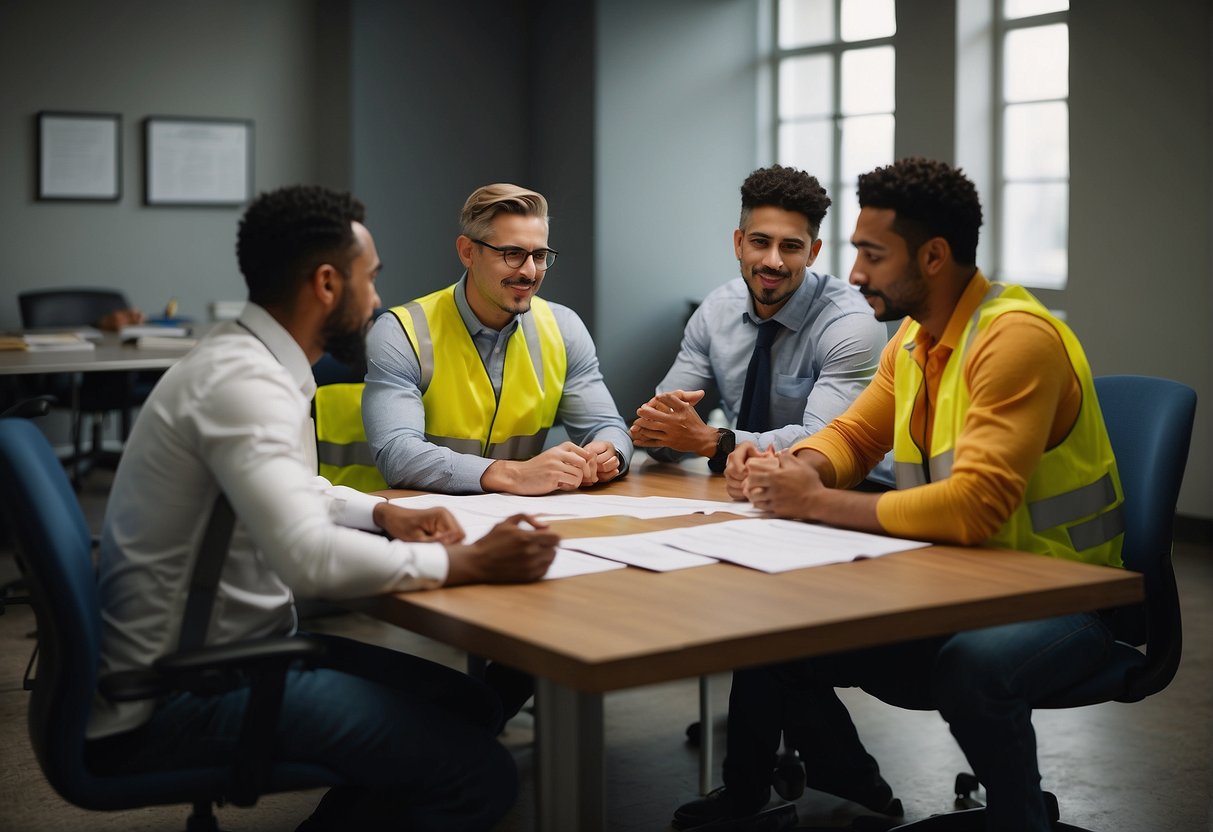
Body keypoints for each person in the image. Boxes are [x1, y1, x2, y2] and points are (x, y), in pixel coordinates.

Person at [86, 185, 560, 832]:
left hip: (233, 655)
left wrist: (379, 515)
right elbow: (308, 561)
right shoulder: (243, 385)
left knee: (468, 703)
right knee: (478, 775)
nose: (377, 301)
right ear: (328, 284)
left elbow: (291, 486)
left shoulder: (249, 363)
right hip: (181, 694)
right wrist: (467, 562)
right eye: (372, 280)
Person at [674, 158, 1125, 832]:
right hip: (958, 582)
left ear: (934, 256)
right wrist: (792, 468)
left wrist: (814, 501)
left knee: (975, 668)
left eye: (871, 254)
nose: (854, 273)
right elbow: (854, 437)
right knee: (773, 635)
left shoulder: (1014, 339)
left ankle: (1017, 819)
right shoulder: (916, 338)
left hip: (1066, 596)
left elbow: (975, 507)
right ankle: (747, 797)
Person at [362, 182, 633, 497]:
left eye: (540, 255)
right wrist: (515, 475)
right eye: (513, 254)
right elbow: (398, 455)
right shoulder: (401, 332)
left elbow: (608, 426)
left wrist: (608, 453)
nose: (530, 272)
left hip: (519, 520)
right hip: (410, 520)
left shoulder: (564, 328)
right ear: (468, 252)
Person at [629, 164, 889, 478]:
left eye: (791, 246)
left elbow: (825, 446)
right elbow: (657, 435)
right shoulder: (715, 312)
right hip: (743, 491)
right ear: (739, 243)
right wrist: (666, 430)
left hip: (851, 493)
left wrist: (713, 441)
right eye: (760, 242)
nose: (772, 261)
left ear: (813, 252)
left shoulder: (851, 324)